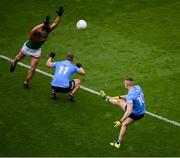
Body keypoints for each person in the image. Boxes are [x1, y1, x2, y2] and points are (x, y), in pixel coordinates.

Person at [10, 6, 65, 88]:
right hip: (27, 48)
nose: (44, 34)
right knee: (18, 58)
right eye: (43, 32)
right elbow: (33, 29)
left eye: (45, 32)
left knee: (32, 69)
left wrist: (59, 15)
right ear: (40, 30)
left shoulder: (47, 31)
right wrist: (44, 23)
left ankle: (26, 82)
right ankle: (14, 63)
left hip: (36, 51)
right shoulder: (34, 33)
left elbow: (56, 24)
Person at [99, 77, 146, 149]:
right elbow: (130, 96)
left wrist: (120, 121)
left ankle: (106, 98)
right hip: (142, 112)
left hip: (135, 113)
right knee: (124, 123)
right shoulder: (138, 87)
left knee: (119, 102)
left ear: (127, 85)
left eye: (124, 83)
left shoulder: (131, 96)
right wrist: (119, 96)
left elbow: (129, 111)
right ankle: (118, 142)